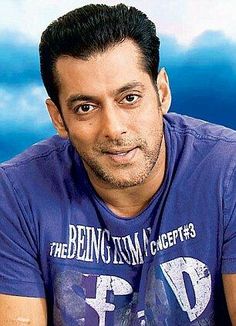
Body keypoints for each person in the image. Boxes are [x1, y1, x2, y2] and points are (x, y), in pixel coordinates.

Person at [0, 3, 235, 325]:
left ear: (161, 92)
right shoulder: (15, 196)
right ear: (58, 118)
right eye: (85, 107)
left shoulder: (227, 170)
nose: (113, 128)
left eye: (129, 98)